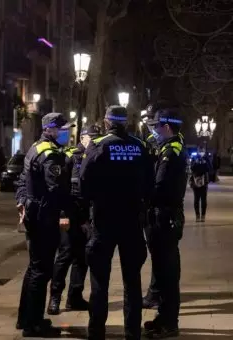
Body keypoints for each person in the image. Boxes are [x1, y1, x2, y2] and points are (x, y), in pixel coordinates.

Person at [80, 106, 153, 340]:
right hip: (132, 220)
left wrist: (89, 207)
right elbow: (150, 183)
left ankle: (96, 332)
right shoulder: (139, 146)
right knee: (132, 281)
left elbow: (83, 180)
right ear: (126, 122)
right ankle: (132, 333)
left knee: (99, 281)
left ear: (106, 121)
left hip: (104, 219)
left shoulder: (98, 145)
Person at [15, 112, 74, 337]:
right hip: (44, 216)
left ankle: (26, 317)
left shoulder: (35, 148)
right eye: (63, 129)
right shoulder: (51, 155)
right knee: (41, 271)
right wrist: (65, 214)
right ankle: (34, 324)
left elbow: (23, 180)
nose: (66, 133)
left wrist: (21, 201)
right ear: (50, 129)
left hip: (34, 212)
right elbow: (56, 190)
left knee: (33, 269)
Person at [46, 125, 101, 315]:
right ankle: (55, 297)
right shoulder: (69, 156)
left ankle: (75, 296)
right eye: (90, 138)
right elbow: (61, 189)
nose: (93, 141)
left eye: (96, 138)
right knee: (65, 255)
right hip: (70, 213)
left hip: (87, 215)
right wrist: (64, 215)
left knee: (83, 257)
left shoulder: (96, 157)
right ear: (82, 138)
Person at [143, 103, 187, 338]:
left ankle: (170, 322)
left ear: (166, 127)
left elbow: (159, 187)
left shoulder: (171, 152)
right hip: (162, 216)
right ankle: (163, 317)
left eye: (156, 127)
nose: (153, 131)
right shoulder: (168, 147)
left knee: (168, 273)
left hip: (165, 217)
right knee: (162, 271)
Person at [189, 148, 211, 222]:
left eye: (203, 151)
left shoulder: (206, 159)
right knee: (196, 199)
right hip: (195, 181)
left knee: (203, 200)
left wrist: (205, 161)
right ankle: (197, 216)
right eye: (200, 151)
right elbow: (192, 168)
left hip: (204, 182)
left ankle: (203, 216)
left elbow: (209, 168)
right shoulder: (194, 159)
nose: (201, 153)